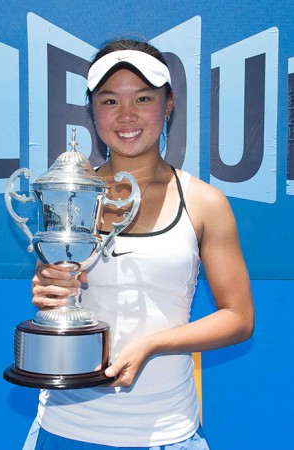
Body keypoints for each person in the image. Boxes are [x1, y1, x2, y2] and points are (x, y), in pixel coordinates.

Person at [23, 39, 254, 450]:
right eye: (110, 101)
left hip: (166, 431)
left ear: (168, 105)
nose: (126, 115)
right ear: (92, 112)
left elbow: (238, 316)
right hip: (64, 427)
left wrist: (152, 344)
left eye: (143, 98)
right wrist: (48, 289)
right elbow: (58, 286)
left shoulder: (204, 202)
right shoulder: (67, 195)